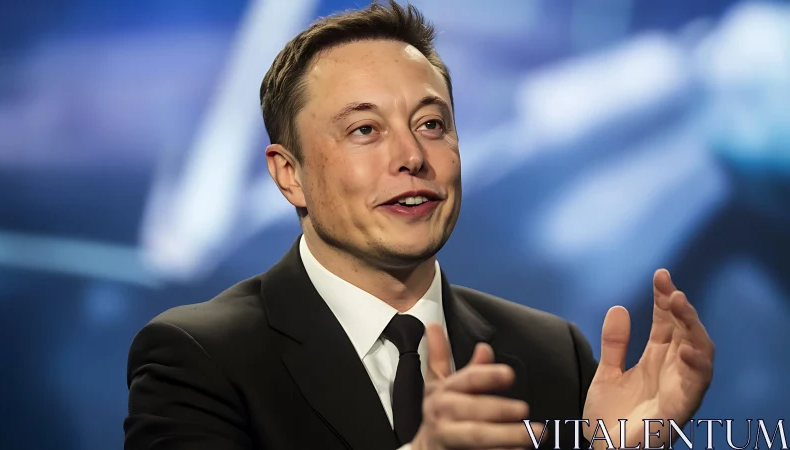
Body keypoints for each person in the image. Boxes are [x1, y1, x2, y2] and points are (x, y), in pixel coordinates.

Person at [123, 2, 715, 449]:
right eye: (365, 130)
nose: (412, 156)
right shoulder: (194, 357)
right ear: (289, 174)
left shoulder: (552, 353)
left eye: (433, 125)